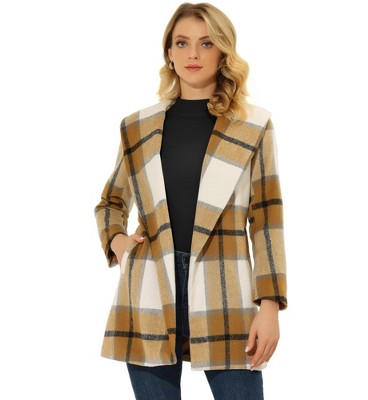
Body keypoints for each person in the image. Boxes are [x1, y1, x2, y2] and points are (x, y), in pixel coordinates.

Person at [94, 2, 287, 399]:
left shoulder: (253, 125)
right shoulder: (137, 127)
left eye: (206, 43)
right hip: (150, 287)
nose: (193, 54)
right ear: (169, 52)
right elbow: (111, 202)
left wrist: (269, 305)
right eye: (182, 43)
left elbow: (266, 219)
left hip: (226, 287)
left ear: (223, 51)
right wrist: (119, 242)